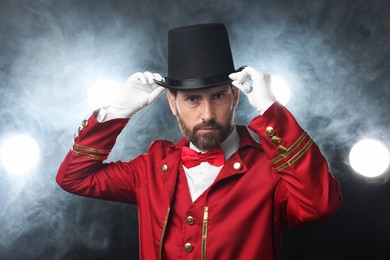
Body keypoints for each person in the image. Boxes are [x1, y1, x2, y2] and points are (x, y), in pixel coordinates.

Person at [56, 23, 342, 260]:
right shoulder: (152, 168)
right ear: (173, 102)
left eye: (218, 96)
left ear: (236, 97)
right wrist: (117, 112)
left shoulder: (268, 170)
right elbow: (73, 177)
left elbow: (320, 204)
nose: (207, 114)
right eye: (193, 99)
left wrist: (272, 111)